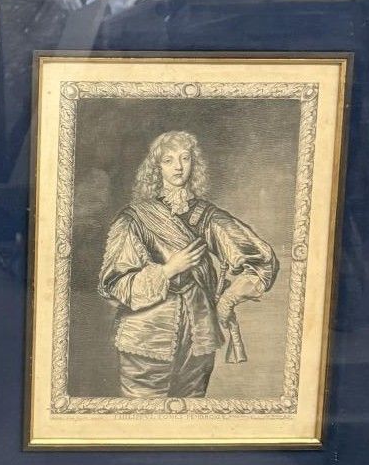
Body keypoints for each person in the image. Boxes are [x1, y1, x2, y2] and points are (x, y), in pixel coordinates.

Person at [96, 130, 278, 399]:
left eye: (185, 158)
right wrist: (168, 270)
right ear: (156, 168)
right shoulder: (134, 219)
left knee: (190, 412)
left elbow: (263, 259)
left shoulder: (207, 215)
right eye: (168, 160)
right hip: (146, 337)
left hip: (198, 337)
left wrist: (227, 300)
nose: (178, 167)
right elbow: (112, 284)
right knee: (142, 416)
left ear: (195, 164)